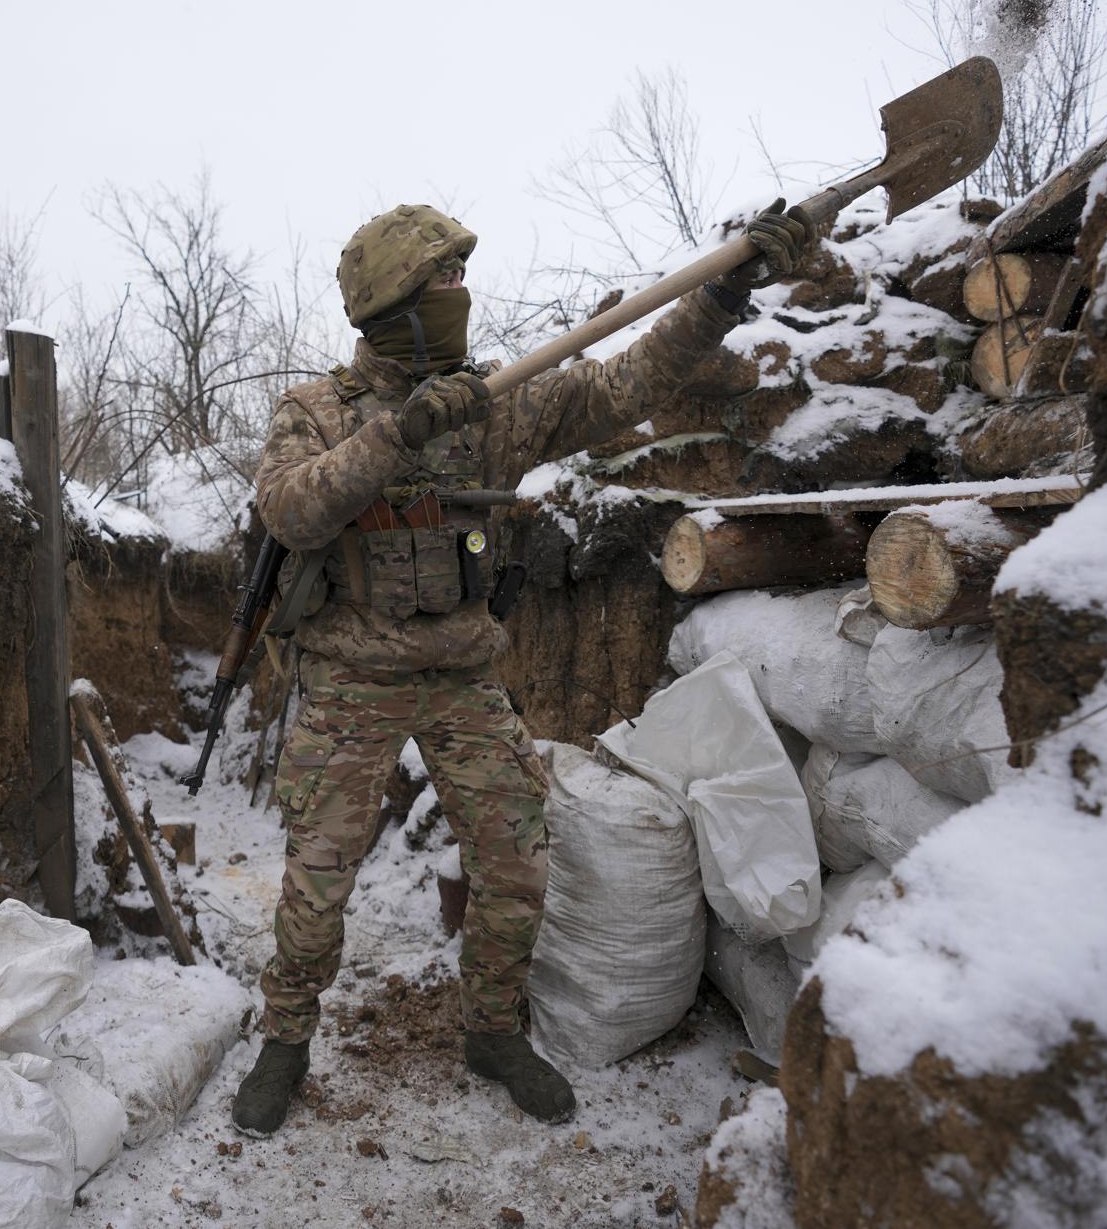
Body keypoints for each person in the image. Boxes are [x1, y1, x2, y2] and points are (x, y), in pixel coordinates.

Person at [232, 200, 814, 1137]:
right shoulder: (316, 410)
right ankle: (286, 1040)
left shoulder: (500, 400)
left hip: (463, 670)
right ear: (392, 302)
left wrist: (722, 295)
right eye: (441, 280)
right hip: (352, 681)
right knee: (317, 880)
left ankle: (493, 1031)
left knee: (517, 863)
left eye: (462, 275)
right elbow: (291, 513)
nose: (460, 290)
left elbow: (626, 383)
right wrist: (397, 435)